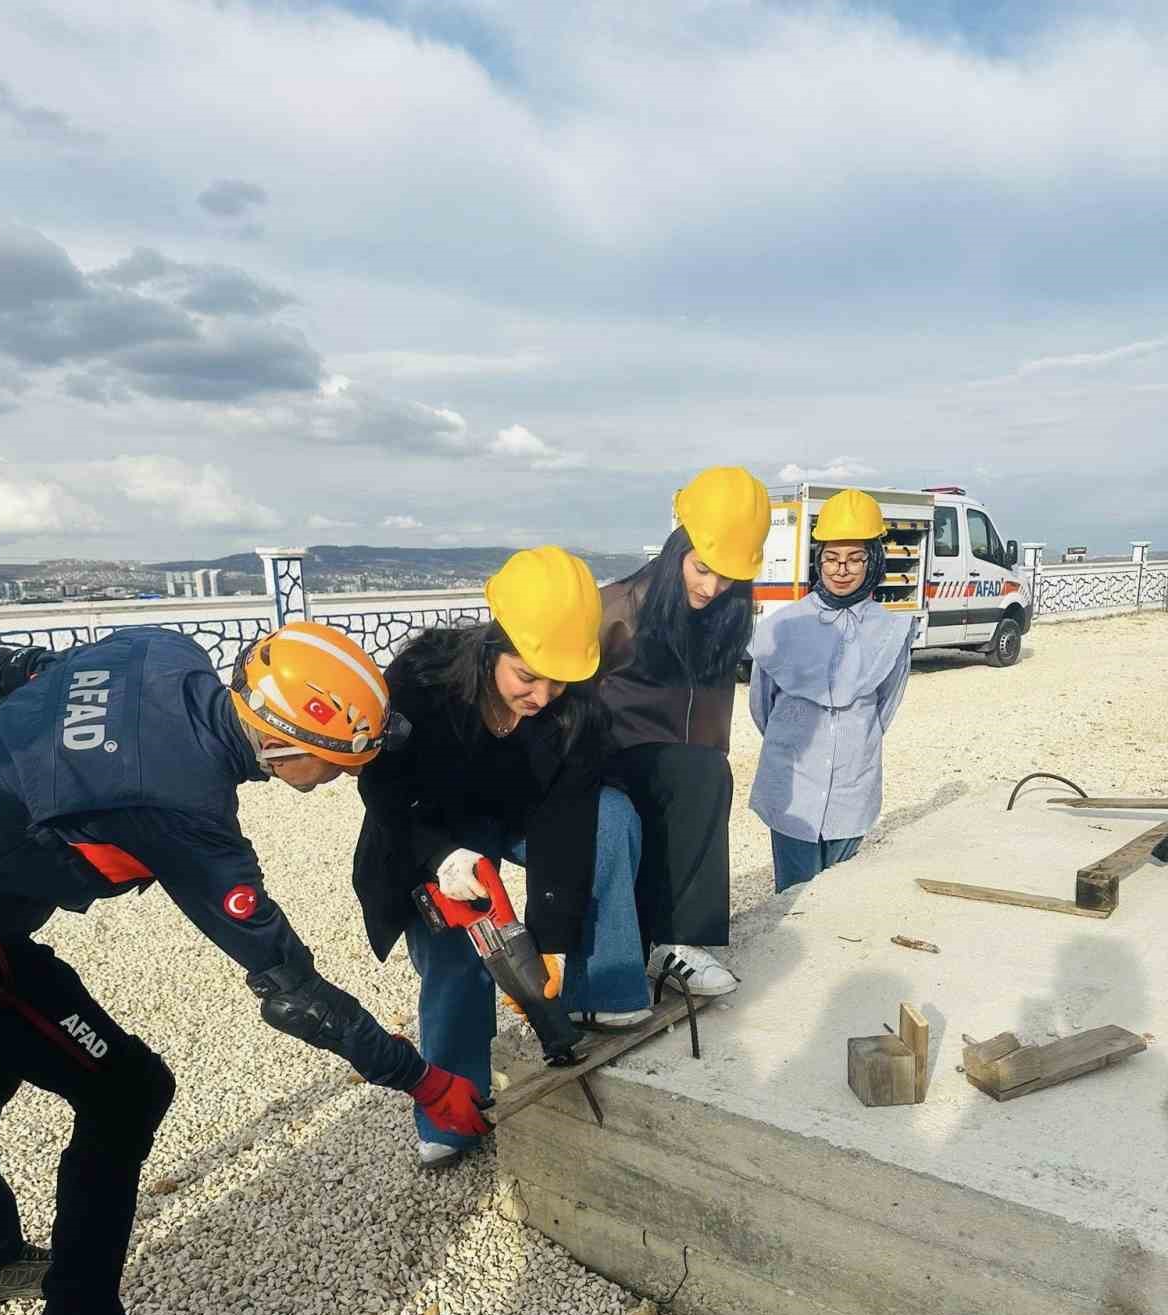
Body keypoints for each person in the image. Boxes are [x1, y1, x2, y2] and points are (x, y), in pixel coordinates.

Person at [0, 622, 486, 1315]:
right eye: (341, 765)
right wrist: (420, 1079)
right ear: (285, 746)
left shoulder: (156, 649)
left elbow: (8, 670)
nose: (343, 779)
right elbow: (291, 991)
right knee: (126, 1090)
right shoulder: (183, 811)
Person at [354, 547, 649, 1171]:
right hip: (425, 828)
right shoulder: (422, 680)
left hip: (517, 818)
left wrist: (547, 941)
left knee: (613, 817)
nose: (543, 695)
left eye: (558, 679)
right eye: (527, 676)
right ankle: (452, 1109)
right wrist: (442, 858)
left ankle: (598, 994)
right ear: (492, 648)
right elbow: (382, 788)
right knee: (453, 954)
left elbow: (567, 820)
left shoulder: (578, 706)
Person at [597, 465, 770, 997]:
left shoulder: (725, 615)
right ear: (679, 549)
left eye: (727, 579)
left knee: (704, 774)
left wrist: (707, 779)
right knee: (689, 777)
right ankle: (642, 953)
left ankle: (678, 944)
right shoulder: (617, 609)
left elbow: (714, 707)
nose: (712, 587)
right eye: (702, 569)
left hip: (683, 765)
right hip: (612, 758)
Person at [748, 488, 915, 891]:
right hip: (792, 786)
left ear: (873, 560)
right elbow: (761, 707)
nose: (842, 570)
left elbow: (886, 705)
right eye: (831, 559)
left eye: (855, 559)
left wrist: (850, 742)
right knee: (791, 899)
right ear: (817, 560)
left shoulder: (890, 630)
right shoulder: (782, 626)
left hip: (851, 787)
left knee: (840, 897)